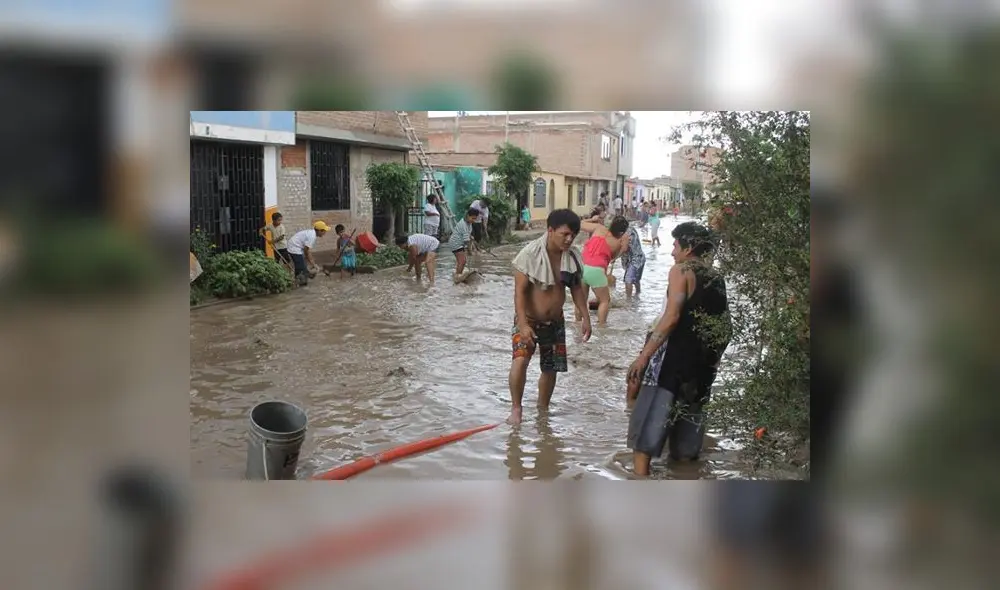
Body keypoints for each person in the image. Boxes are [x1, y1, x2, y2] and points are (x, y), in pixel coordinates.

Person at [625, 222, 731, 477]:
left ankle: (639, 490)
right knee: (685, 450)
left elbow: (671, 317)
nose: (672, 252)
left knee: (644, 441)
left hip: (671, 366)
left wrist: (643, 357)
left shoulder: (681, 271)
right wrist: (712, 363)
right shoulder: (717, 278)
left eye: (675, 245)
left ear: (689, 247)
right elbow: (726, 329)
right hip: (701, 371)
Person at [507, 209, 591, 425]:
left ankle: (542, 412)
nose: (569, 239)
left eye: (573, 234)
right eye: (564, 234)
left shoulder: (571, 255)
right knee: (520, 360)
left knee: (551, 367)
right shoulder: (530, 254)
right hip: (529, 319)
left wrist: (585, 317)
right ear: (550, 230)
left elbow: (576, 288)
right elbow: (520, 292)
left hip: (556, 321)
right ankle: (516, 409)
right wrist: (523, 325)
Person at [576, 215, 630, 325]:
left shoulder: (599, 228)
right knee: (605, 301)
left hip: (581, 267)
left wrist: (592, 219)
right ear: (622, 232)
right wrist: (624, 243)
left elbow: (579, 224)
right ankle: (601, 328)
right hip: (596, 271)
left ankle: (577, 324)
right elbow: (614, 257)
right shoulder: (617, 241)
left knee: (581, 301)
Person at [448, 207, 480, 277]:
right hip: (455, 243)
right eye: (473, 218)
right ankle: (458, 276)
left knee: (463, 261)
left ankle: (459, 274)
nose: (473, 220)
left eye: (475, 219)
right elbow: (466, 241)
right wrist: (469, 251)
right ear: (468, 216)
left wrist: (471, 237)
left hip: (460, 243)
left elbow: (467, 235)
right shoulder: (464, 225)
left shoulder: (468, 223)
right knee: (462, 261)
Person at [620, 222, 646, 298]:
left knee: (628, 280)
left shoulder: (625, 234)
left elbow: (624, 249)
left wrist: (614, 258)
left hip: (634, 260)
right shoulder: (632, 229)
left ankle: (629, 301)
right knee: (636, 280)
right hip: (641, 258)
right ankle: (637, 296)